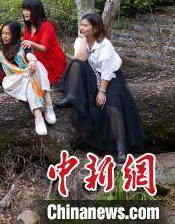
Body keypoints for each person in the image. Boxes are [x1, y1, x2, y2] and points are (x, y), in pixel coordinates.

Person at [55, 13, 145, 164]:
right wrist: (84, 39)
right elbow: (80, 59)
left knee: (112, 104)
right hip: (92, 75)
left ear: (95, 28)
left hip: (110, 77)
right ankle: (71, 96)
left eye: (85, 25)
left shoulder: (105, 44)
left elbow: (107, 71)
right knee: (76, 64)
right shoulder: (80, 40)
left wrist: (102, 92)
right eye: (81, 25)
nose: (81, 28)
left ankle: (121, 148)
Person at [21, 0, 66, 85]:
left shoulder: (47, 26)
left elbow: (44, 48)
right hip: (36, 61)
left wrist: (30, 43)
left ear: (36, 11)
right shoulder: (27, 27)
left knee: (42, 83)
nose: (24, 12)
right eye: (24, 10)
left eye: (28, 10)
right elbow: (27, 47)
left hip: (52, 62)